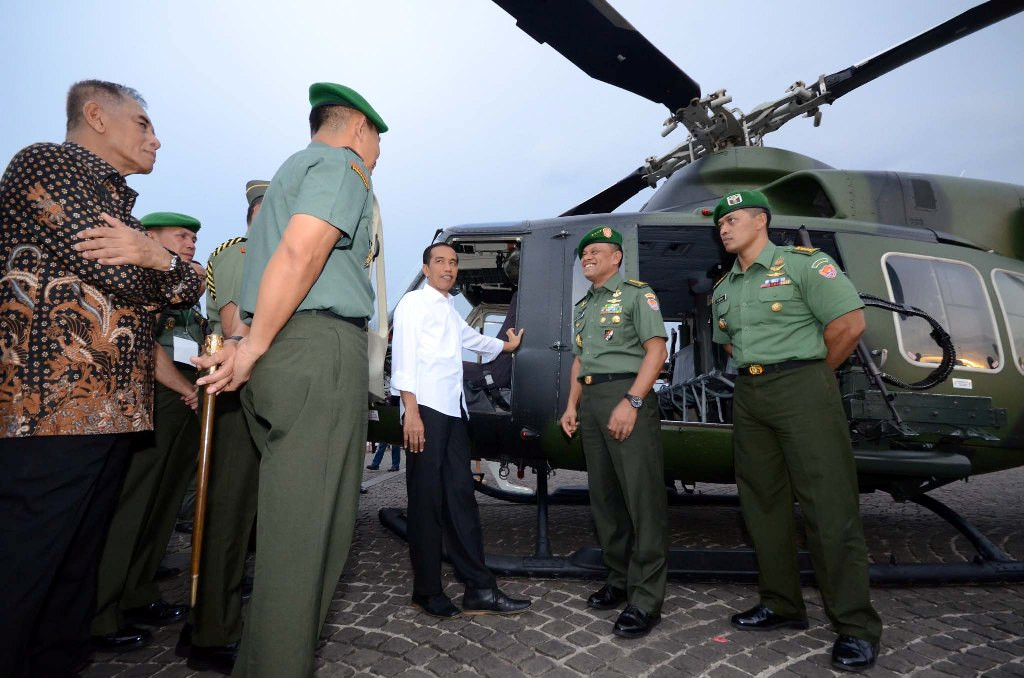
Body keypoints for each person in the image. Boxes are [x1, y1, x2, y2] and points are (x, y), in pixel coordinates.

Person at [0, 79, 202, 677]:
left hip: (108, 414)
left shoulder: (119, 208)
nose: (156, 139)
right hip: (49, 411)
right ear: (95, 115)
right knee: (26, 566)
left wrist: (156, 259)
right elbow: (118, 272)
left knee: (74, 570)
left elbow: (178, 287)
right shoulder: (46, 164)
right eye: (143, 123)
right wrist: (164, 266)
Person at [193, 81, 386, 677]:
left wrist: (251, 342)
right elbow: (302, 255)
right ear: (359, 128)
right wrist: (252, 345)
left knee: (284, 530)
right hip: (314, 346)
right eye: (378, 141)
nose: (377, 155)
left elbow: (276, 262)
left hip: (280, 345)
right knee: (307, 542)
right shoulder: (342, 165)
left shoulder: (289, 171)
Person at [709, 189, 882, 672]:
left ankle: (855, 625)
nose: (724, 228)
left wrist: (812, 375)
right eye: (720, 223)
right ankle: (781, 603)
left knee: (828, 506)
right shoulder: (724, 288)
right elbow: (731, 344)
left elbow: (849, 325)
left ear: (761, 221)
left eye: (733, 220)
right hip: (750, 393)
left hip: (805, 385)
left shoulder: (805, 265)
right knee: (761, 504)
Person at [391, 243, 530, 619]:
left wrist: (507, 346)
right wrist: (411, 412)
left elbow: (472, 340)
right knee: (426, 502)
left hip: (453, 412)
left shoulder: (448, 308)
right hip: (426, 411)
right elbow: (403, 357)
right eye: (440, 262)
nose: (448, 268)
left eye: (453, 262)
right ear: (426, 269)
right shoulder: (414, 304)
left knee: (461, 498)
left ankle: (479, 589)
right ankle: (426, 590)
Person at [91, 211, 205, 651]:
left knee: (164, 502)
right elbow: (146, 345)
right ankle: (101, 612)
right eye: (182, 236)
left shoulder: (181, 286)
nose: (191, 243)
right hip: (156, 397)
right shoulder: (140, 278)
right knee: (134, 503)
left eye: (194, 238)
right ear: (151, 237)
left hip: (183, 399)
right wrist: (186, 390)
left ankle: (138, 592)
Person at [559, 226, 668, 639]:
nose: (587, 257)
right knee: (605, 499)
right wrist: (572, 406)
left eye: (596, 251)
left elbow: (657, 350)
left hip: (626, 395)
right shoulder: (584, 305)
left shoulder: (637, 295)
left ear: (617, 257)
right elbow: (580, 360)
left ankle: (646, 599)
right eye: (584, 253)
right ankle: (619, 579)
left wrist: (633, 401)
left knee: (642, 499)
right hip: (592, 401)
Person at [177, 181, 267, 675]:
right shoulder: (241, 254)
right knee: (228, 512)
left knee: (243, 514)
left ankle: (210, 618)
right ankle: (210, 631)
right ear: (259, 213)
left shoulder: (274, 256)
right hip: (235, 391)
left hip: (255, 390)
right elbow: (235, 327)